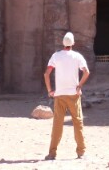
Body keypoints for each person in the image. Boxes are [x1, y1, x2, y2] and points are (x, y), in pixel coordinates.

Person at [43, 32, 90, 160]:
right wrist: (79, 85)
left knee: (57, 124)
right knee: (78, 122)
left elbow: (46, 74)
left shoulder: (55, 56)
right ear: (73, 43)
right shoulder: (77, 56)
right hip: (73, 95)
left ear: (63, 43)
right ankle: (81, 152)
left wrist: (49, 90)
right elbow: (86, 72)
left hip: (59, 95)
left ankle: (52, 153)